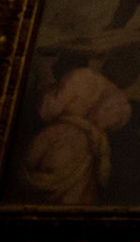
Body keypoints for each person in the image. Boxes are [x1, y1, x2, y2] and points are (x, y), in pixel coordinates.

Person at [18, 54, 130, 204]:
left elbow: (47, 110)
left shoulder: (79, 76)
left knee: (30, 172)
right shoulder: (122, 101)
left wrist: (45, 77)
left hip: (60, 138)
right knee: (76, 197)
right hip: (88, 148)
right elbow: (112, 126)